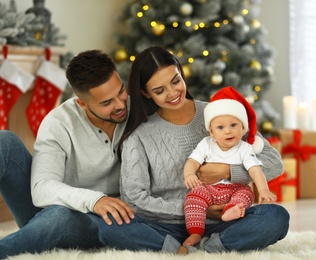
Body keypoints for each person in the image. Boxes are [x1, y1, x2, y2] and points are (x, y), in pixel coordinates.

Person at [98, 46, 289, 254]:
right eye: (159, 91)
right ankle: (177, 248)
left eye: (175, 81)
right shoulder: (139, 135)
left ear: (181, 72)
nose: (172, 93)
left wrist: (228, 171)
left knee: (276, 217)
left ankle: (211, 246)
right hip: (165, 226)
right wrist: (198, 210)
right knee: (110, 228)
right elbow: (134, 198)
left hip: (225, 219)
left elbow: (274, 162)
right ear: (145, 93)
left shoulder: (218, 113)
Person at [0, 50, 134, 259]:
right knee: (4, 142)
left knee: (59, 215)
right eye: (107, 103)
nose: (120, 104)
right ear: (82, 103)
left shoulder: (137, 110)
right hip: (55, 212)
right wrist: (94, 200)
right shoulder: (59, 122)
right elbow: (41, 189)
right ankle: (33, 235)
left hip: (105, 222)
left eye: (121, 91)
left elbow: (190, 110)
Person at [182, 86, 277, 249]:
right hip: (210, 190)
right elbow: (192, 161)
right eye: (220, 127)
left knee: (246, 194)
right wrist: (189, 175)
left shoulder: (244, 148)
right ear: (211, 132)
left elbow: (255, 171)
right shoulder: (206, 144)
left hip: (235, 189)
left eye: (233, 125)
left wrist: (263, 190)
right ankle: (196, 231)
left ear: (243, 128)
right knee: (193, 197)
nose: (228, 131)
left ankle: (232, 210)